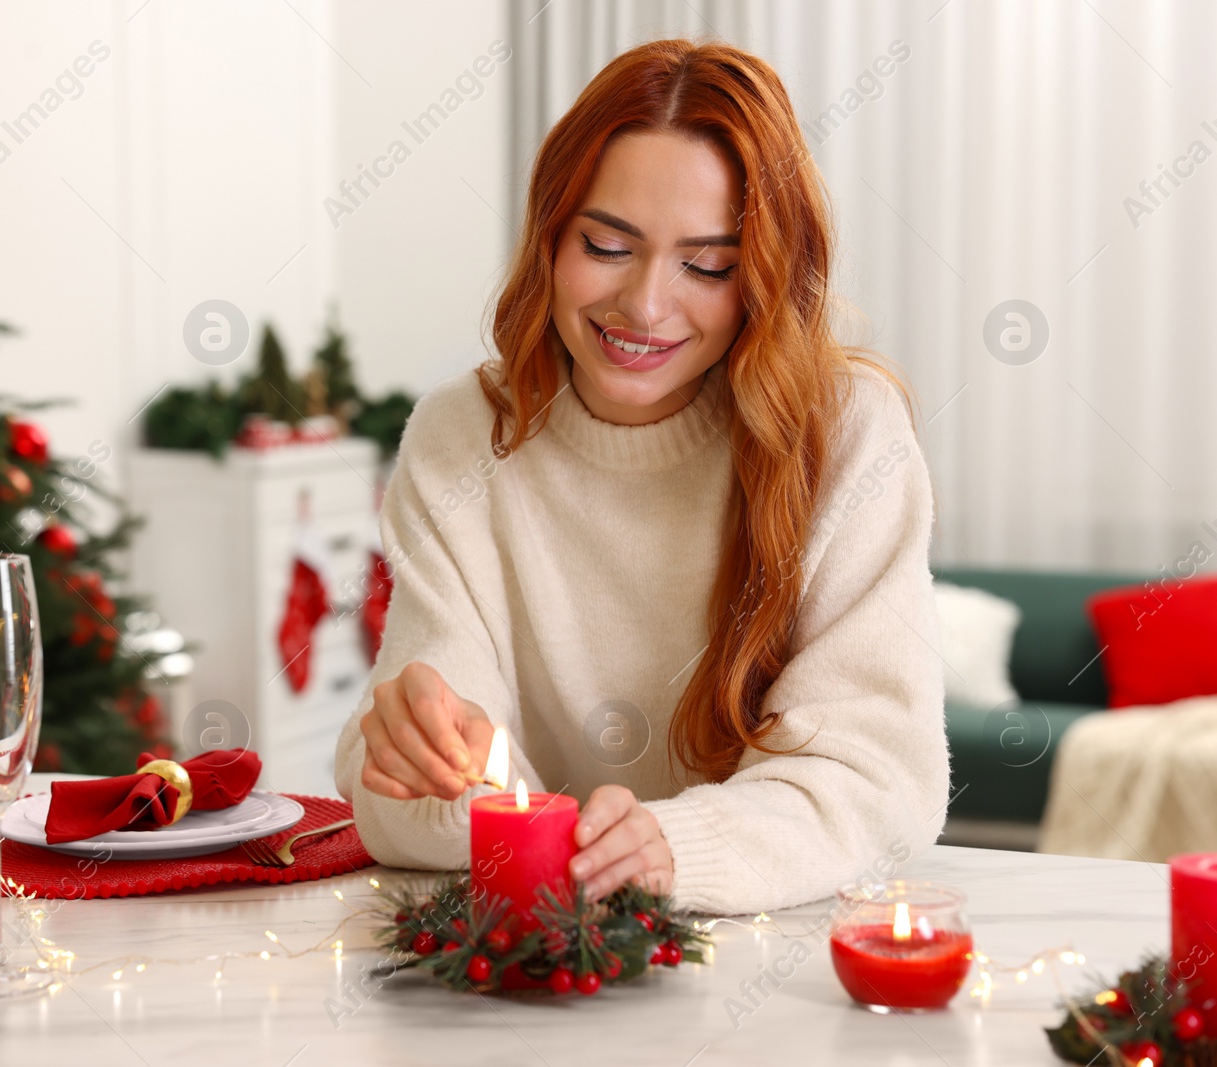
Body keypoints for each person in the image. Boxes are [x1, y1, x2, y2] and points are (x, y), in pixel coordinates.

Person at [332, 37, 949, 916]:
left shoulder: (847, 431)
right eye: (607, 244)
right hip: (543, 953)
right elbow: (401, 807)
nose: (646, 305)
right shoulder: (462, 435)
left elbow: (878, 780)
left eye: (707, 265)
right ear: (549, 231)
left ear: (765, 277)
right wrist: (413, 761)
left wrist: (673, 848)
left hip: (788, 967)